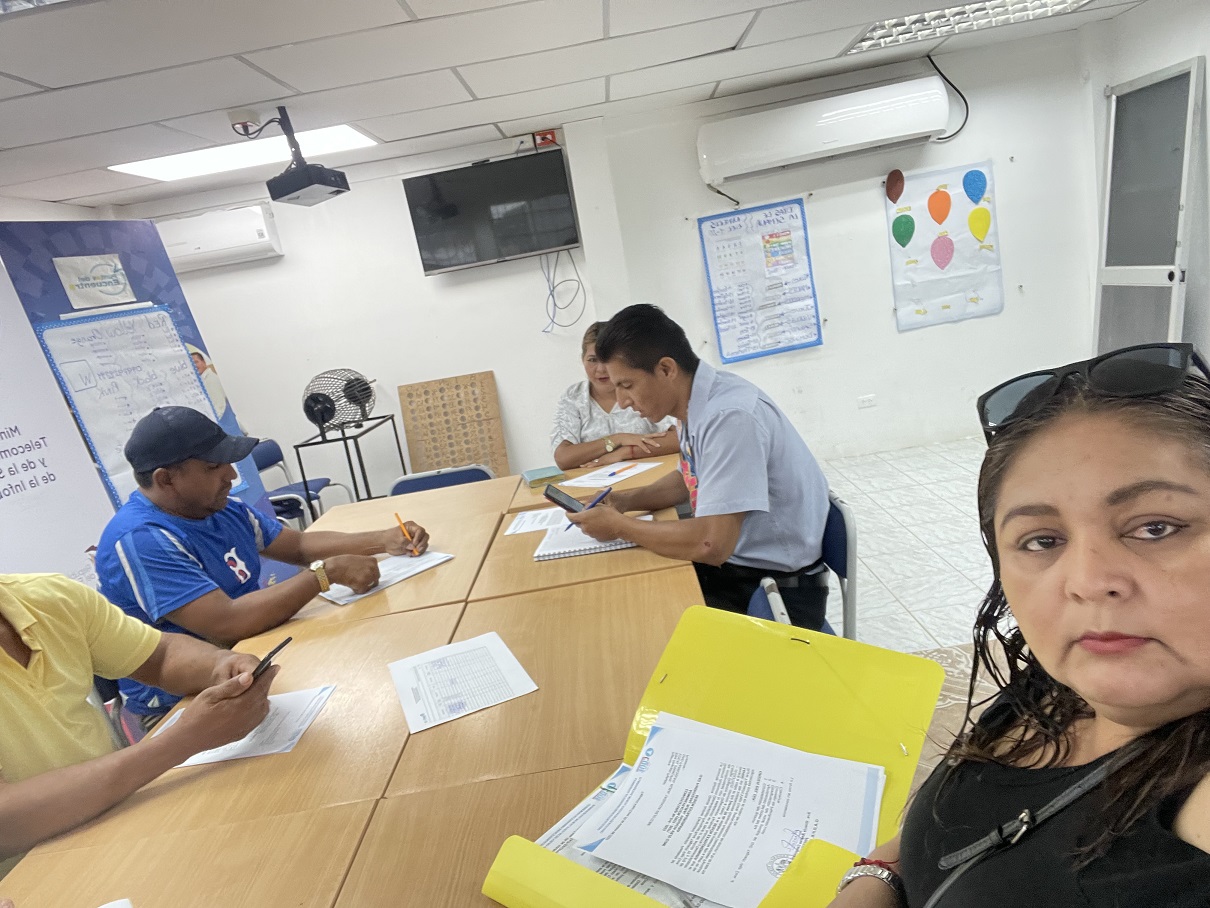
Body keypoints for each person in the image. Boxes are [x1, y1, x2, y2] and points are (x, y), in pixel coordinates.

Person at [830, 343, 1210, 907]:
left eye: (1156, 527)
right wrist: (874, 879)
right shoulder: (1055, 687)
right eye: (1042, 541)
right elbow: (944, 841)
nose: (1086, 580)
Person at [95, 406, 429, 728]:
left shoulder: (217, 508)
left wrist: (383, 539)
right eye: (214, 467)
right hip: (182, 704)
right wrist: (323, 575)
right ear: (166, 479)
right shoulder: (142, 539)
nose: (231, 475)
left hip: (252, 656)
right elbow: (227, 623)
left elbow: (297, 546)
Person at [568, 304, 831, 629]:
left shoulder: (729, 417)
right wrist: (623, 501)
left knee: (640, 620)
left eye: (627, 385)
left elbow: (711, 543)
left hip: (776, 591)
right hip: (741, 568)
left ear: (666, 369)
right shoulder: (697, 402)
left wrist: (620, 527)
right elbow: (688, 479)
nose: (622, 402)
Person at [0, 572, 276, 871]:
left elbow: (160, 655)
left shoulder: (48, 597)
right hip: (31, 872)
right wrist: (185, 740)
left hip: (115, 816)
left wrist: (220, 665)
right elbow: (6, 823)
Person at [550, 321, 678, 470]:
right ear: (582, 359)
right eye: (592, 360)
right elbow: (563, 458)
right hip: (594, 480)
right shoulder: (574, 396)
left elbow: (680, 437)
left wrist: (626, 452)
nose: (600, 369)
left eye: (607, 360)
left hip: (650, 477)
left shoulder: (642, 387)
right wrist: (617, 440)